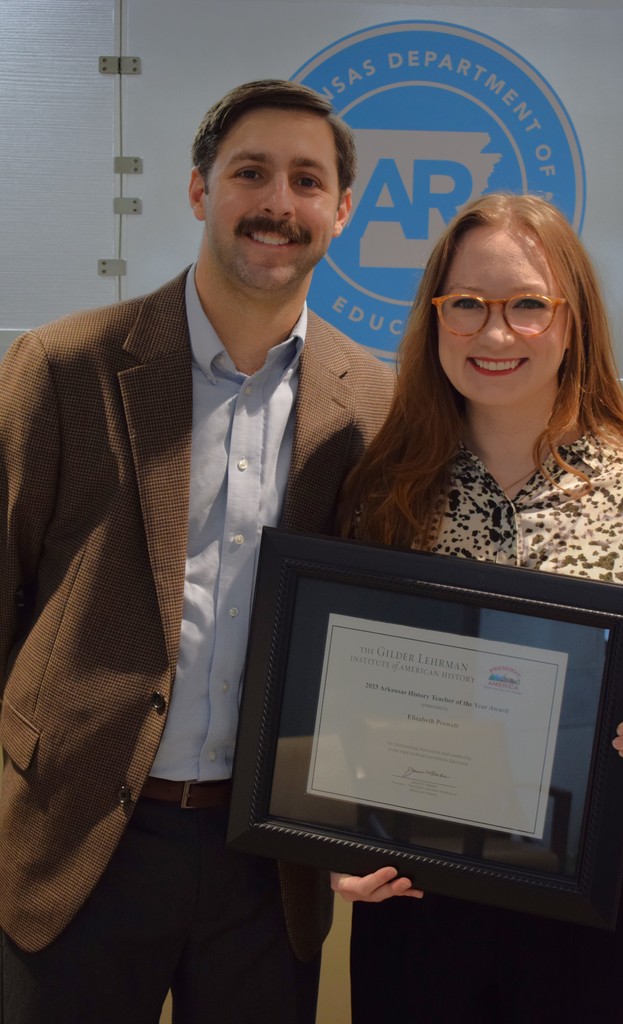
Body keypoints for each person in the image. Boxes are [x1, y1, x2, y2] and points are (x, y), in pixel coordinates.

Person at [0, 79, 395, 1023]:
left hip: (269, 861)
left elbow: (372, 639)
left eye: (307, 181)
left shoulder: (371, 401)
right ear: (197, 191)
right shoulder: (63, 365)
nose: (276, 203)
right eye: (249, 173)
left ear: (340, 210)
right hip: (81, 841)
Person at [335, 192, 623, 1024]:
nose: (495, 335)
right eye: (467, 306)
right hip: (417, 886)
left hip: (594, 886)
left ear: (574, 322)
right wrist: (327, 839)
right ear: (434, 317)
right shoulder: (377, 493)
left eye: (528, 304)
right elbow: (328, 690)